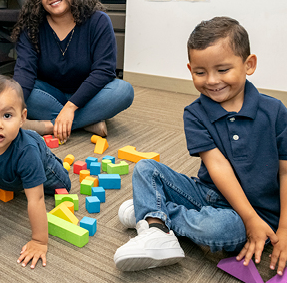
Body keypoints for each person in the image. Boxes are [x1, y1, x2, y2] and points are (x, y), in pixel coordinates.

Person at [114, 17, 287, 274]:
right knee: (146, 168)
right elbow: (217, 165)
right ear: (190, 69)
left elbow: (285, 172)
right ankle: (154, 224)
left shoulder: (275, 110)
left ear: (249, 65)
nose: (212, 81)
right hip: (208, 192)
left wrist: (281, 228)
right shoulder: (194, 113)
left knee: (219, 231)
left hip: (253, 214)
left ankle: (152, 214)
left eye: (223, 69)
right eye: (200, 72)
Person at [12, 0, 134, 143]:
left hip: (90, 95)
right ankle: (87, 122)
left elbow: (104, 71)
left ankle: (48, 126)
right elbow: (25, 72)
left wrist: (70, 108)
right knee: (17, 91)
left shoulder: (98, 21)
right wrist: (9, 108)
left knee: (123, 90)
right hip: (50, 94)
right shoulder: (31, 27)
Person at [0, 74, 71, 268]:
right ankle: (12, 182)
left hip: (45, 166)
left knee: (63, 186)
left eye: (7, 116)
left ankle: (43, 160)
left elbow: (36, 199)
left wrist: (39, 241)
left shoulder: (27, 153)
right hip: (8, 174)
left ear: (22, 118)